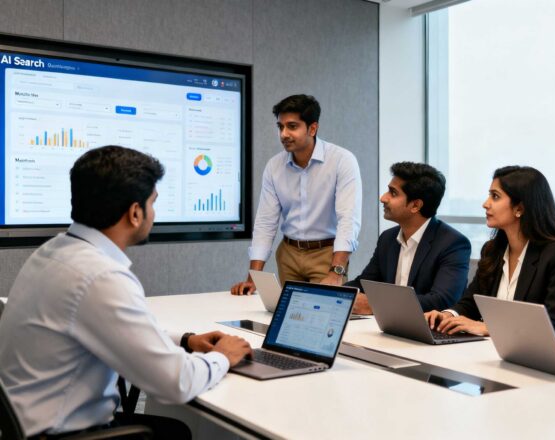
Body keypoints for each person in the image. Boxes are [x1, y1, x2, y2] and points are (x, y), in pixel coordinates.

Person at [0, 146, 253, 438]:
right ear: (135, 213)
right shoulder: (100, 276)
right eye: (153, 203)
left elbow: (114, 326)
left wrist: (186, 340)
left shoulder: (55, 252)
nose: (154, 214)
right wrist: (222, 356)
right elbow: (176, 383)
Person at [425, 166, 555, 340]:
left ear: (520, 208)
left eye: (495, 196)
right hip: (500, 351)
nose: (485, 204)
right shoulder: (493, 250)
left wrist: (488, 327)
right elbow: (471, 302)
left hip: (552, 358)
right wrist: (448, 315)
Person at [231, 94, 361, 294]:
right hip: (289, 253)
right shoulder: (274, 166)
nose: (284, 134)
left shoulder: (342, 161)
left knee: (322, 316)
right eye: (280, 127)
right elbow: (266, 223)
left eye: (292, 126)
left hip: (326, 254)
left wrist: (337, 271)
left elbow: (348, 220)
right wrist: (253, 278)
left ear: (313, 128)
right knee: (290, 317)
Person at [346, 162, 471, 314]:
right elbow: (364, 283)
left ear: (415, 205)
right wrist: (331, 293)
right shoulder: (387, 238)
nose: (383, 198)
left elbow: (442, 299)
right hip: (387, 327)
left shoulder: (453, 243)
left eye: (393, 193)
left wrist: (377, 305)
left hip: (426, 331)